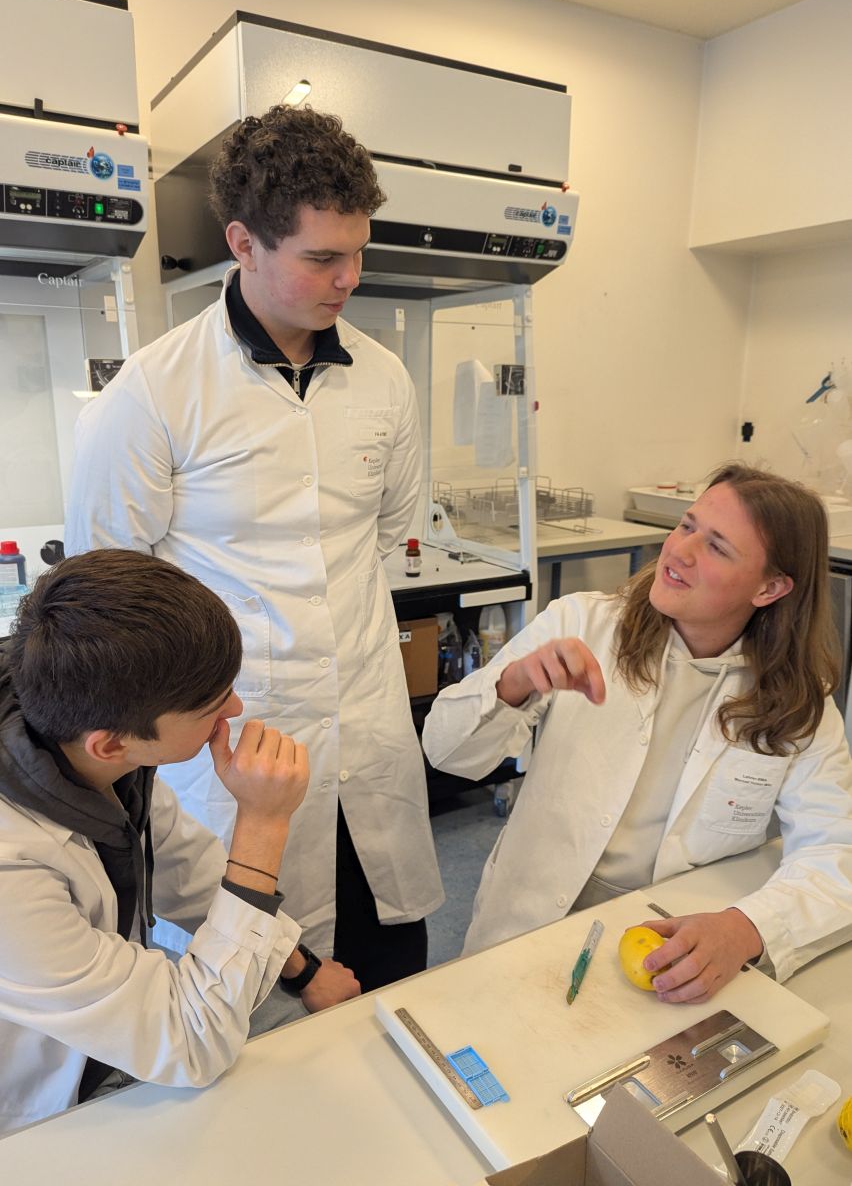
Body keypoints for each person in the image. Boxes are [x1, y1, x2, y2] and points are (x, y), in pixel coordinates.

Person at [64, 105, 444, 1000]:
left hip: (367, 729)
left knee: (394, 973)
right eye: (321, 257)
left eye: (359, 253)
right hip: (235, 744)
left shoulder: (385, 380)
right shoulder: (153, 393)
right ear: (243, 243)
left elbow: (386, 528)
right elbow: (108, 595)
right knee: (255, 1003)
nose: (349, 279)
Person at [423, 464, 852, 1001]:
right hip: (527, 920)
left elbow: (836, 851)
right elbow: (446, 752)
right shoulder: (582, 624)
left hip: (671, 946)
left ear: (770, 587)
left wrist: (747, 928)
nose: (680, 551)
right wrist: (513, 683)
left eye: (717, 547)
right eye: (687, 525)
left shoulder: (796, 700)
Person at [0, 550, 359, 1136]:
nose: (235, 709)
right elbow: (192, 1044)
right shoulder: (11, 869)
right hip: (35, 1116)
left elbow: (187, 872)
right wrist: (263, 823)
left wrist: (304, 970)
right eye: (210, 707)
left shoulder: (86, 742)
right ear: (110, 744)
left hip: (108, 1052)